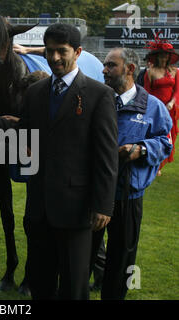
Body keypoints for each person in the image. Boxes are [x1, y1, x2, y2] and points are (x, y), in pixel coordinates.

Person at [0, 23, 118, 300]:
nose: (54, 58)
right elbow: (24, 132)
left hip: (76, 212)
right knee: (40, 284)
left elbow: (106, 155)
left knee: (74, 288)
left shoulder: (100, 95)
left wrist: (103, 204)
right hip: (39, 209)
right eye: (50, 51)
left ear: (77, 52)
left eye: (61, 52)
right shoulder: (36, 92)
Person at [91, 47, 172, 300]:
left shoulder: (154, 108)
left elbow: (166, 142)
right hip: (92, 192)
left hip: (128, 195)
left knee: (123, 257)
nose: (104, 70)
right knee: (82, 254)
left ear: (130, 69)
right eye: (105, 65)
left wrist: (142, 149)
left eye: (111, 65)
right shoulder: (95, 100)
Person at [143, 33, 179, 175]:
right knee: (155, 135)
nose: (164, 58)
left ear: (169, 57)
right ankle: (155, 163)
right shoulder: (150, 72)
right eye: (161, 55)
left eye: (166, 55)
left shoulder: (175, 72)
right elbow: (146, 92)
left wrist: (172, 102)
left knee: (170, 137)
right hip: (155, 109)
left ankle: (160, 164)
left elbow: (177, 91)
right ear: (157, 56)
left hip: (170, 109)